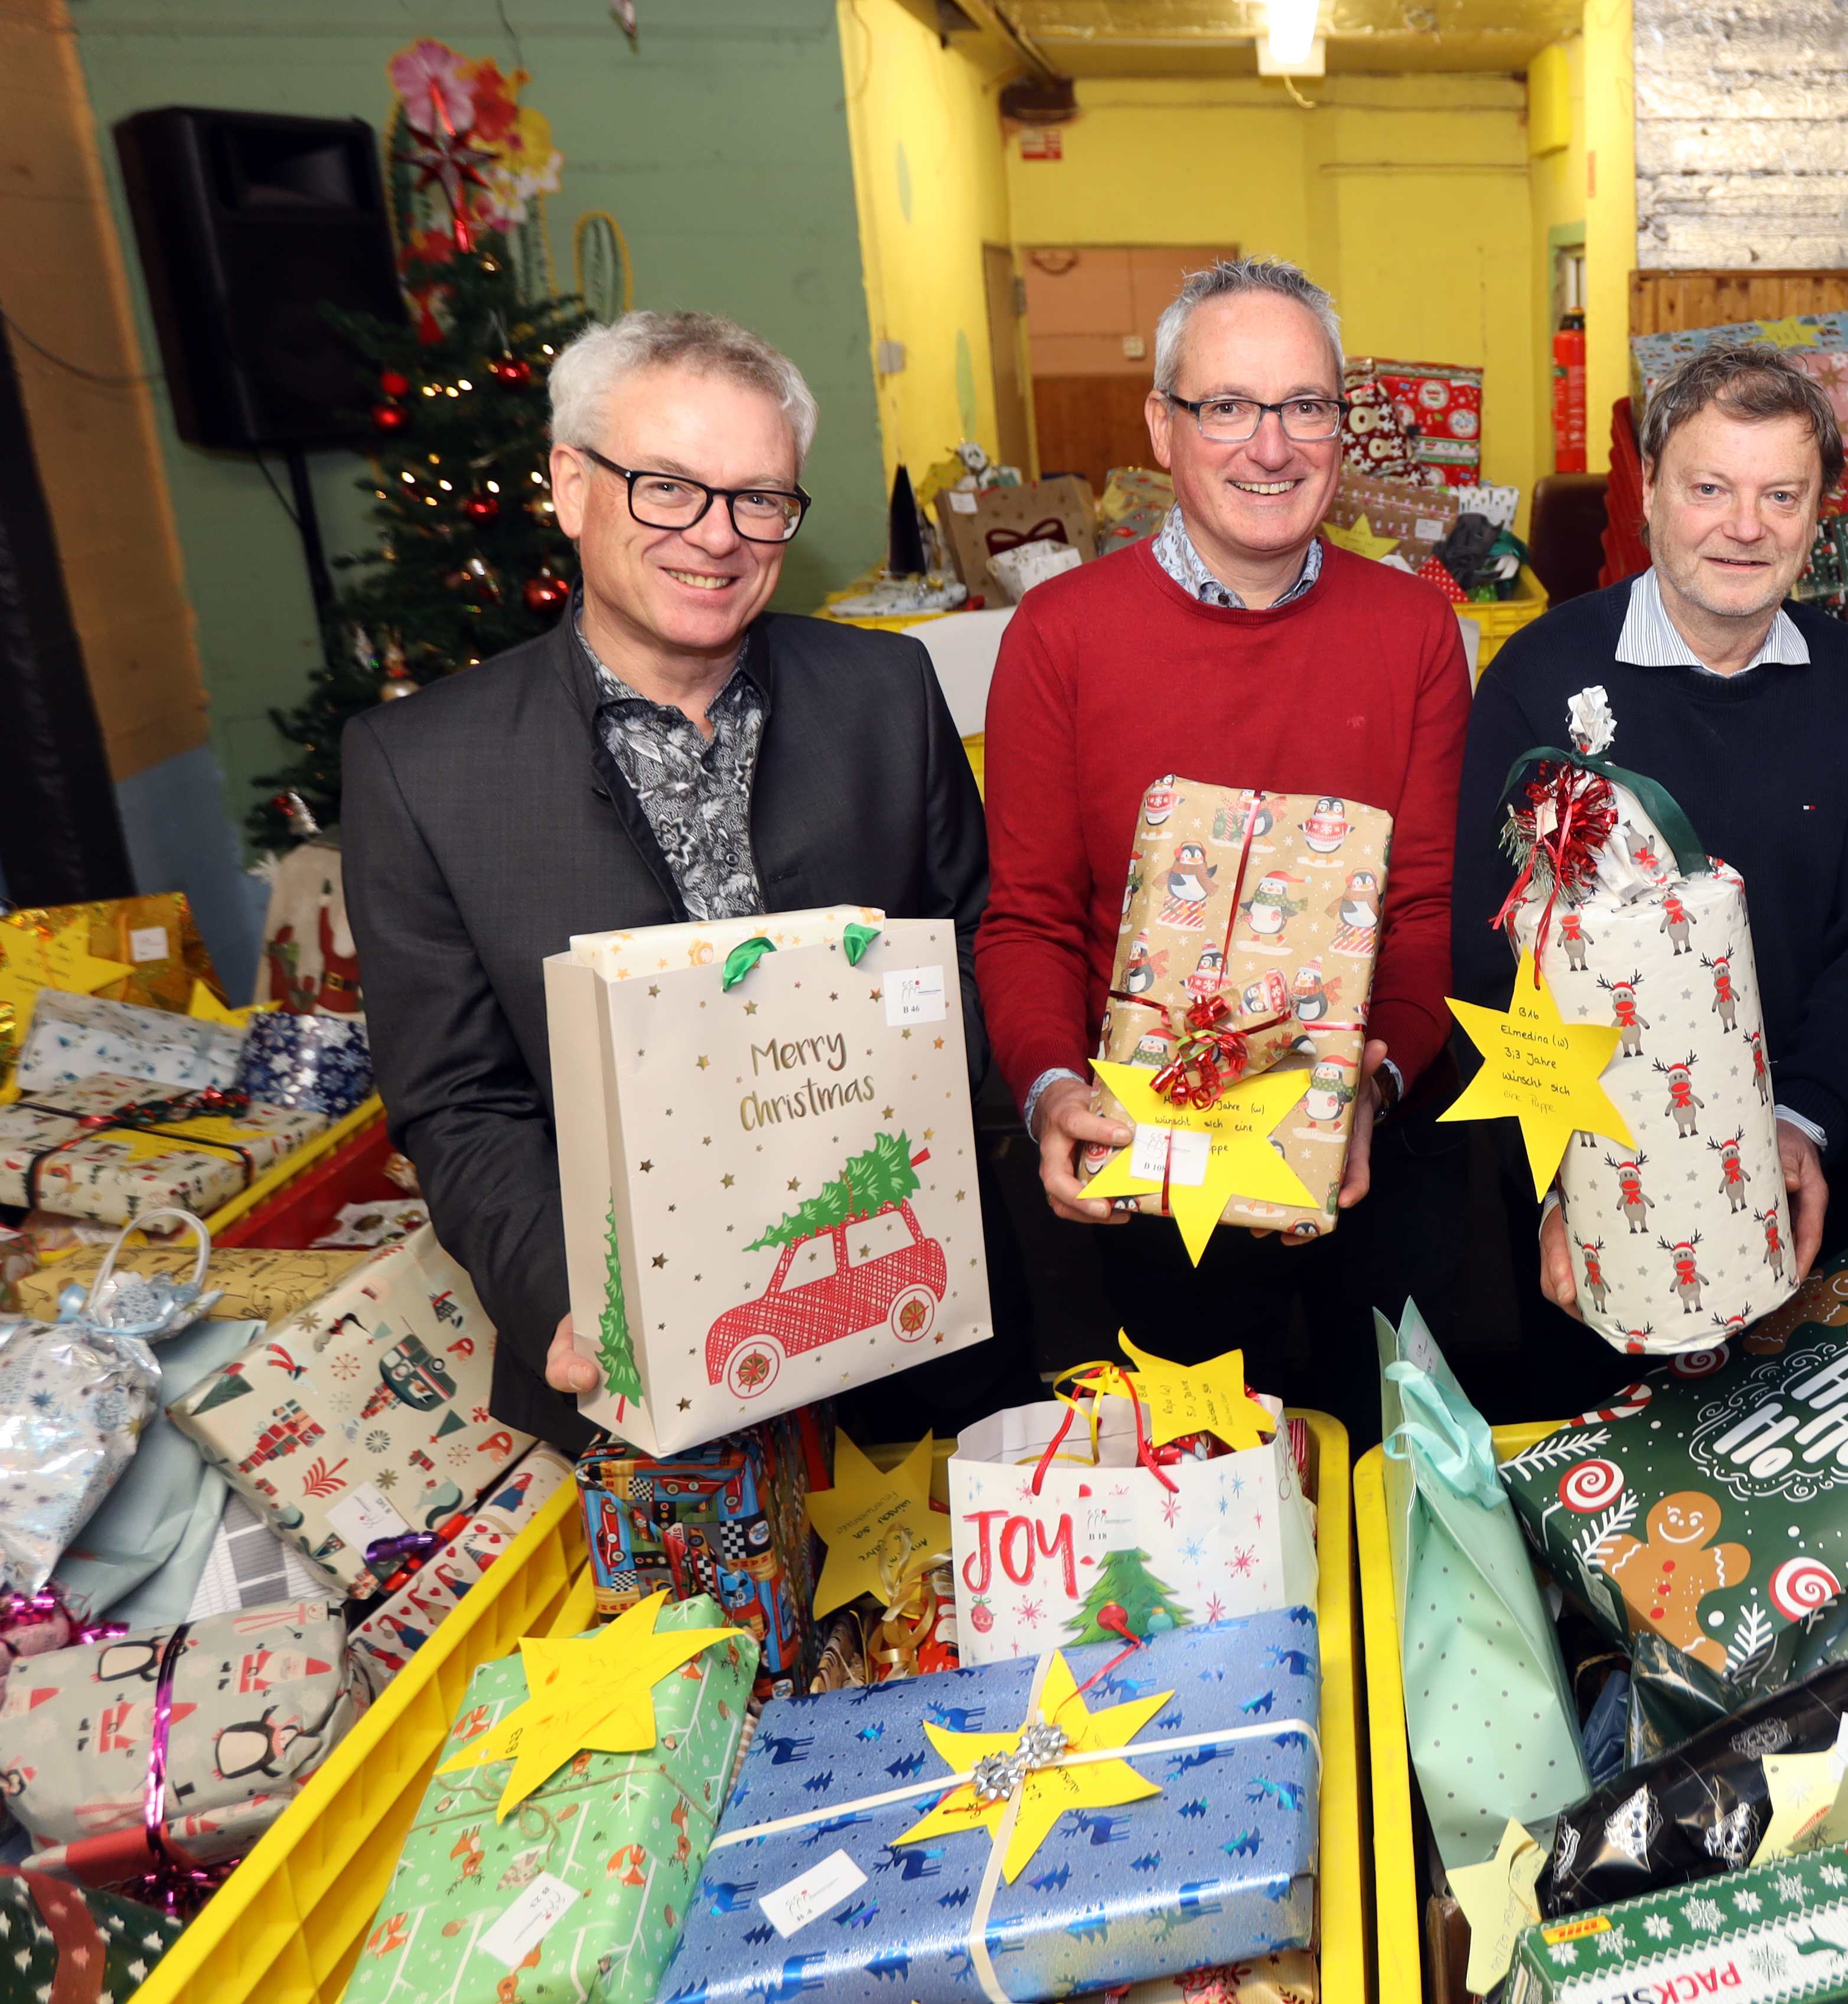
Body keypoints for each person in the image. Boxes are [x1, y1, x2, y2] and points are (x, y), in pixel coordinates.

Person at [345, 309, 1020, 1449]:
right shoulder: (421, 767)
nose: (716, 537)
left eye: (760, 497)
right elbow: (458, 1099)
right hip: (641, 1377)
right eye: (666, 486)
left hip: (912, 1318)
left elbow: (974, 941)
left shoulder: (886, 691)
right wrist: (571, 1297)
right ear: (570, 485)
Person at [975, 258, 1468, 1428]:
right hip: (1144, 1184)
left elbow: (1426, 912)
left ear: (1340, 430)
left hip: (1360, 1163)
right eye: (1228, 407)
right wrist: (1051, 1090)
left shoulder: (1414, 632)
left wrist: (1375, 1084)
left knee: (1381, 1493)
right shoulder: (1060, 635)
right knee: (1189, 1529)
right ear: (1162, 425)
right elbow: (1029, 913)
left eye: (1306, 406)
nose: (1272, 447)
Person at [1452, 342, 1848, 1414]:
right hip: (1594, 1202)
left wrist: (1802, 1124)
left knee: (1803, 1493)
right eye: (1710, 488)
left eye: (1781, 495)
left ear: (1819, 516)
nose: (1744, 525)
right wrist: (1559, 1181)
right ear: (1650, 493)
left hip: (1804, 1197)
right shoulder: (1540, 679)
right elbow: (1492, 956)